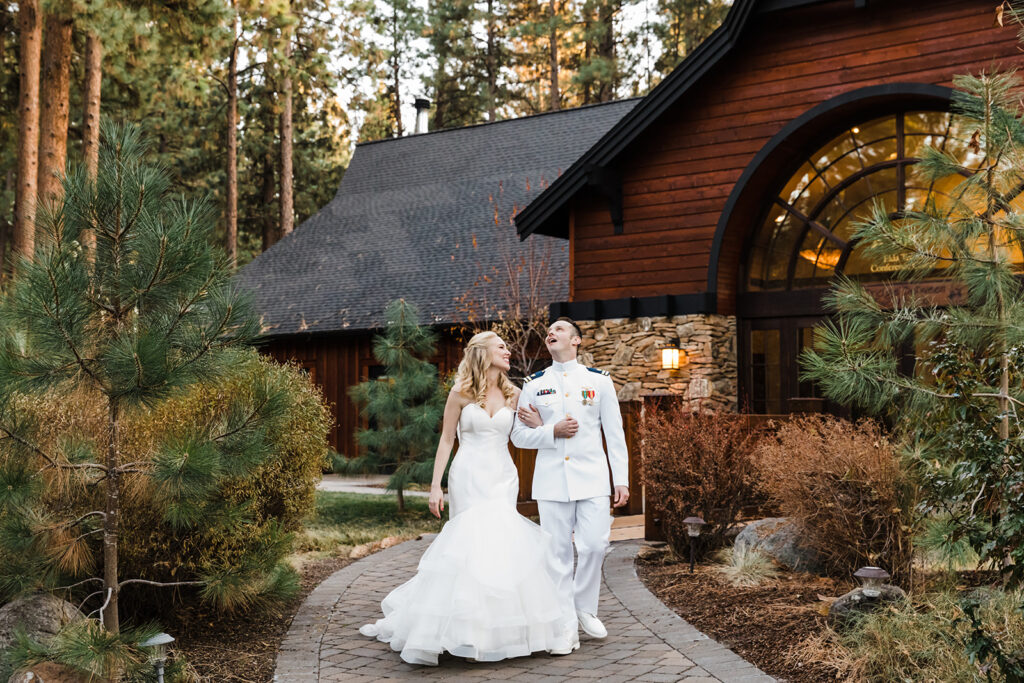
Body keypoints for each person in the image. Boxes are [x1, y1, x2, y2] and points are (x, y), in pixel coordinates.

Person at [357, 331, 576, 665]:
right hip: (468, 475)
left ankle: (498, 630)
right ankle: (461, 629)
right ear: (482, 353)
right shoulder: (459, 393)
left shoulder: (514, 393)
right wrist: (435, 486)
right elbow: (446, 440)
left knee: (501, 545)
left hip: (502, 476)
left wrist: (546, 423)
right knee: (468, 546)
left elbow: (526, 433)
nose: (508, 351)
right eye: (501, 346)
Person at [511, 317, 629, 651]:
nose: (552, 333)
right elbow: (518, 436)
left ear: (576, 341)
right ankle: (565, 626)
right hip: (551, 482)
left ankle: (584, 608)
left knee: (593, 545)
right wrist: (551, 430)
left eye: (560, 329)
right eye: (549, 331)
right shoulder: (534, 384)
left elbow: (614, 434)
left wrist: (621, 479)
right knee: (558, 555)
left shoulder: (599, 381)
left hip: (592, 479)